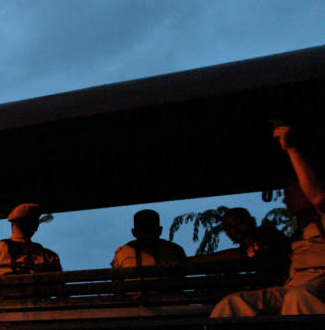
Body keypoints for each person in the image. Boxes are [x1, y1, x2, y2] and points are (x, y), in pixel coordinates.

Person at [211, 124, 325, 316]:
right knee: (234, 303)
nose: (285, 199)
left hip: (316, 290)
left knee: (298, 297)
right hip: (292, 287)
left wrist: (291, 149)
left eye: (291, 192)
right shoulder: (300, 230)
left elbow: (318, 197)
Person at [0, 202, 62, 317]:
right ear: (35, 227)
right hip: (40, 322)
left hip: (2, 322)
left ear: (12, 225)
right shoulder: (49, 257)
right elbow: (62, 296)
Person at [188, 207, 289, 281]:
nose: (234, 230)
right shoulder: (249, 246)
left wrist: (189, 261)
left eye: (239, 223)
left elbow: (240, 254)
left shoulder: (265, 234)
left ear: (252, 221)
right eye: (228, 227)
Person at [111, 209, 186, 268]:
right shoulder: (175, 250)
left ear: (134, 232)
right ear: (160, 230)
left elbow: (115, 282)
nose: (147, 236)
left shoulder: (121, 252)